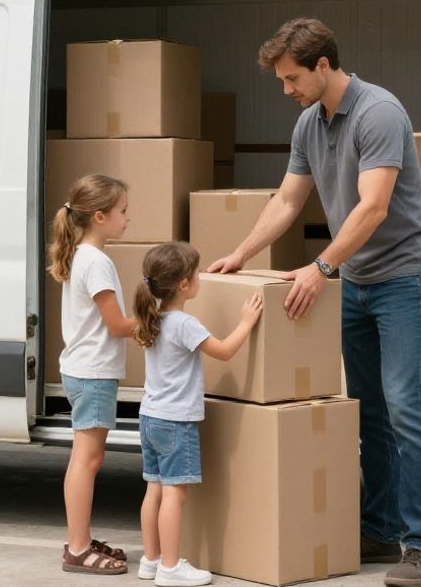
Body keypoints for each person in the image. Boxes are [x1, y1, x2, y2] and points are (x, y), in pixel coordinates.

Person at [207, 18, 421, 587]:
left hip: (404, 280)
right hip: (356, 280)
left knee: (406, 405)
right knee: (368, 410)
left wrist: (321, 267)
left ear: (323, 65)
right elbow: (288, 201)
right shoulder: (308, 125)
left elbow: (373, 207)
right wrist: (240, 253)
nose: (285, 89)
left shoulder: (379, 113)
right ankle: (382, 528)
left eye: (291, 78)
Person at [131, 241, 262, 587]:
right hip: (176, 422)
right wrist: (247, 321)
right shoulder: (184, 324)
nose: (200, 276)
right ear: (184, 285)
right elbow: (224, 351)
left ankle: (151, 559)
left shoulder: (152, 319)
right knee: (176, 494)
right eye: (196, 272)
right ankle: (171, 568)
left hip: (150, 417)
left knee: (154, 490)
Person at [50, 174, 139, 575]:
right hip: (94, 373)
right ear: (99, 216)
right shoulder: (97, 262)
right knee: (87, 460)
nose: (128, 218)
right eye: (122, 211)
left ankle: (79, 539)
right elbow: (117, 325)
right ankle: (79, 548)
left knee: (85, 458)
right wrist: (159, 319)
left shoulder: (82, 256)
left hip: (82, 369)